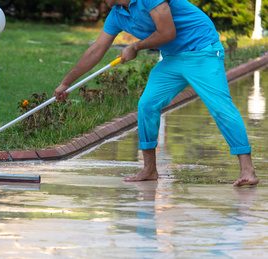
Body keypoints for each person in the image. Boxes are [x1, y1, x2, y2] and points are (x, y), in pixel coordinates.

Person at [53, 0, 259, 187]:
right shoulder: (117, 14)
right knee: (147, 104)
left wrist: (136, 46)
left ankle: (248, 171)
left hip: (202, 50)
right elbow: (96, 50)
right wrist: (65, 84)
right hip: (173, 58)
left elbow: (167, 32)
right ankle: (149, 169)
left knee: (220, 108)